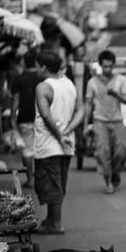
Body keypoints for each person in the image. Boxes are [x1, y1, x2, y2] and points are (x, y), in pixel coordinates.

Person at [34, 51, 84, 234]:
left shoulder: (43, 87)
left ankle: (56, 223)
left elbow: (46, 115)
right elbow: (81, 111)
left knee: (51, 184)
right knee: (59, 183)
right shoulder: (68, 84)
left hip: (49, 144)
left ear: (44, 67)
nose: (36, 69)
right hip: (67, 143)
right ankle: (51, 220)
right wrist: (68, 131)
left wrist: (59, 135)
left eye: (38, 65)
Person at [84, 50, 126, 195]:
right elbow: (88, 105)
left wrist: (116, 94)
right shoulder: (92, 82)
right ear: (100, 65)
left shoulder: (121, 80)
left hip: (117, 121)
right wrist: (86, 125)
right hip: (100, 122)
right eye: (105, 66)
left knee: (122, 151)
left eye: (110, 66)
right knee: (102, 151)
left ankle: (116, 172)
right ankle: (108, 182)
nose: (108, 69)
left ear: (114, 65)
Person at [10, 50, 43, 187]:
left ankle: (30, 179)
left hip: (24, 118)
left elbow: (16, 99)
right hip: (41, 117)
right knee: (40, 149)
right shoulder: (42, 78)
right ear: (36, 62)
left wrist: (12, 116)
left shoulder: (19, 78)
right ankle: (40, 178)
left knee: (27, 151)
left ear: (24, 62)